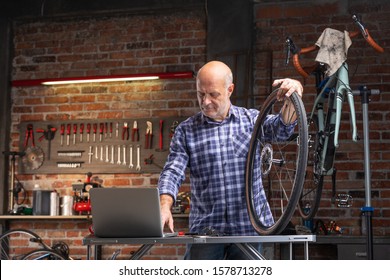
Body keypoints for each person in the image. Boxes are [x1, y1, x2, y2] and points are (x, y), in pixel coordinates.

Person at [158, 60, 303, 260]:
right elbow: (173, 170)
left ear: (230, 90)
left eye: (213, 94)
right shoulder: (186, 130)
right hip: (206, 229)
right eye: (201, 94)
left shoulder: (252, 121)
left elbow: (282, 128)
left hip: (248, 227)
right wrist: (164, 205)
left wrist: (293, 96)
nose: (206, 101)